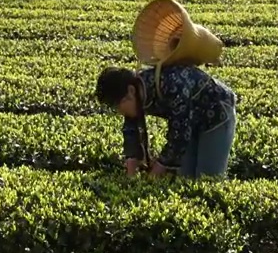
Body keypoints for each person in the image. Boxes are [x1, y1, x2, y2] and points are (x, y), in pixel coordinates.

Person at [94, 64, 238, 178]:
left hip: (216, 114)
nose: (119, 112)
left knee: (207, 178)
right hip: (191, 119)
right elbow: (131, 130)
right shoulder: (137, 94)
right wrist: (131, 170)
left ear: (130, 91)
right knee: (185, 178)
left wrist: (156, 171)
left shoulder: (171, 85)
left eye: (117, 106)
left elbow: (179, 135)